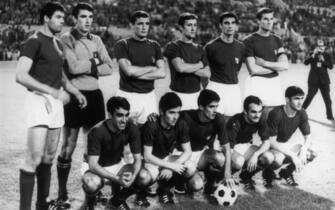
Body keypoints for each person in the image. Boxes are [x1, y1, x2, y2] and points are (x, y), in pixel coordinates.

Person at [16, 2, 87, 210]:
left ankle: (41, 206)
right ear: (46, 18)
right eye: (57, 17)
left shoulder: (56, 42)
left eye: (62, 17)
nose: (62, 20)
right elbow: (21, 75)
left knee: (48, 157)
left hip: (56, 104)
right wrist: (52, 91)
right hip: (39, 101)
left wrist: (75, 92)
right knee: (34, 158)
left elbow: (60, 75)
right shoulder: (34, 41)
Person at [56, 3, 114, 207]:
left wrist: (90, 65)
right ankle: (61, 192)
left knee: (93, 146)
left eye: (90, 16)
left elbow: (110, 68)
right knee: (68, 145)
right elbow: (72, 67)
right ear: (74, 19)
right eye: (83, 17)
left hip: (95, 97)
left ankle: (92, 191)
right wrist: (95, 61)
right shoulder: (66, 38)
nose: (88, 20)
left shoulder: (96, 39)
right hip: (75, 96)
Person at [81, 97, 143, 210]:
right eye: (119, 115)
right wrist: (116, 178)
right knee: (91, 183)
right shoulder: (97, 131)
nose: (124, 120)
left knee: (142, 174)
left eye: (126, 115)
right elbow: (93, 165)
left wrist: (133, 176)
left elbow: (138, 159)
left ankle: (117, 200)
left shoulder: (131, 128)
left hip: (117, 165)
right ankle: (89, 203)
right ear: (109, 114)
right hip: (95, 168)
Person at [139, 92, 198, 205]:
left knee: (190, 167)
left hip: (167, 158)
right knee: (143, 178)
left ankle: (165, 188)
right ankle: (142, 192)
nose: (175, 116)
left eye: (177, 112)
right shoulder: (151, 125)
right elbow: (147, 156)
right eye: (171, 112)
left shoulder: (181, 123)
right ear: (161, 111)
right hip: (151, 161)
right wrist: (172, 166)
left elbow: (188, 151)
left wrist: (172, 167)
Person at [114, 10, 166, 125]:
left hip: (149, 97)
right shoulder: (122, 44)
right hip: (128, 95)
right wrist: (151, 68)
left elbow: (162, 73)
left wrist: (136, 73)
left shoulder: (155, 45)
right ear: (131, 25)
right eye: (140, 23)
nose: (144, 27)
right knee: (125, 135)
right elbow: (129, 71)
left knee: (149, 134)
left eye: (147, 24)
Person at [179, 89, 233, 196]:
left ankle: (211, 183)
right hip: (183, 155)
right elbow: (166, 118)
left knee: (220, 158)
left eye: (216, 106)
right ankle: (179, 182)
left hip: (201, 156)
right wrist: (153, 117)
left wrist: (227, 172)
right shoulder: (185, 117)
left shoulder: (218, 119)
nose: (215, 110)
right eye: (211, 107)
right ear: (201, 107)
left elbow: (226, 148)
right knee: (197, 186)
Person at [243, 7, 289, 118]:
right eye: (265, 19)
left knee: (276, 120)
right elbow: (253, 69)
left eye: (271, 19)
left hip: (274, 84)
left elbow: (285, 65)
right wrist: (276, 67)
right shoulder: (249, 40)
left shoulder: (277, 40)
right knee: (257, 120)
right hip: (257, 83)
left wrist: (264, 63)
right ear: (258, 21)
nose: (269, 22)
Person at [267, 86, 317, 186]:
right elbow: (271, 142)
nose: (300, 102)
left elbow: (308, 137)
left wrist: (303, 151)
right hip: (271, 146)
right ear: (287, 99)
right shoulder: (276, 113)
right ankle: (267, 173)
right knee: (278, 160)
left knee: (311, 153)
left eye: (302, 98)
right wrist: (293, 155)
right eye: (296, 98)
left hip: (284, 145)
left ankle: (287, 172)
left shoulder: (301, 112)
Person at [164, 12, 210, 110]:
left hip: (196, 96)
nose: (193, 28)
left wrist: (187, 67)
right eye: (189, 25)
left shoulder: (200, 49)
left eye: (195, 25)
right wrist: (200, 64)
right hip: (177, 95)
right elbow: (180, 68)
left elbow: (207, 73)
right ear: (181, 27)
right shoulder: (173, 46)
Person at [227, 95, 274, 190]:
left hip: (245, 145)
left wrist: (255, 155)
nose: (257, 115)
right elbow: (228, 148)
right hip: (230, 147)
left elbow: (266, 143)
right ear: (245, 111)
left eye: (260, 111)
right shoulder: (235, 121)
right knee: (238, 162)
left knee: (268, 157)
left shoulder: (260, 118)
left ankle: (245, 176)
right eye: (253, 112)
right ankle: (224, 176)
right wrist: (227, 171)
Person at [205, 12, 245, 119]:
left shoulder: (241, 47)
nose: (230, 26)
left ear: (236, 26)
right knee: (214, 121)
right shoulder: (211, 47)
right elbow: (204, 72)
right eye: (226, 23)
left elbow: (236, 70)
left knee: (233, 122)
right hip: (216, 87)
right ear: (220, 26)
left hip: (233, 88)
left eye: (233, 23)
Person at [302, 39, 334, 120]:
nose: (320, 48)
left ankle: (329, 116)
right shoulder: (312, 54)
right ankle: (300, 113)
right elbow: (305, 63)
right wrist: (312, 55)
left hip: (324, 81)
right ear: (316, 47)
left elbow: (331, 66)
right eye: (319, 46)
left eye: (322, 46)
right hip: (313, 80)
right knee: (309, 97)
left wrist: (323, 61)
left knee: (327, 100)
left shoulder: (327, 55)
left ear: (324, 47)